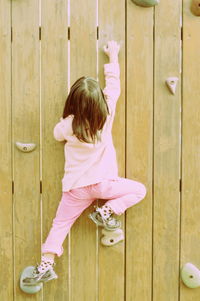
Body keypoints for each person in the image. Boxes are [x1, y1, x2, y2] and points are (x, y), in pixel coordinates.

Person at [23, 40, 146, 286]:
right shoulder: (106, 115)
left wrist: (67, 119)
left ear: (73, 102)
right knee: (139, 190)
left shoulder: (69, 125)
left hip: (76, 188)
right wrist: (112, 56)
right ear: (99, 103)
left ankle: (46, 264)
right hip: (104, 184)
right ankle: (106, 211)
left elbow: (57, 135)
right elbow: (114, 87)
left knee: (60, 225)